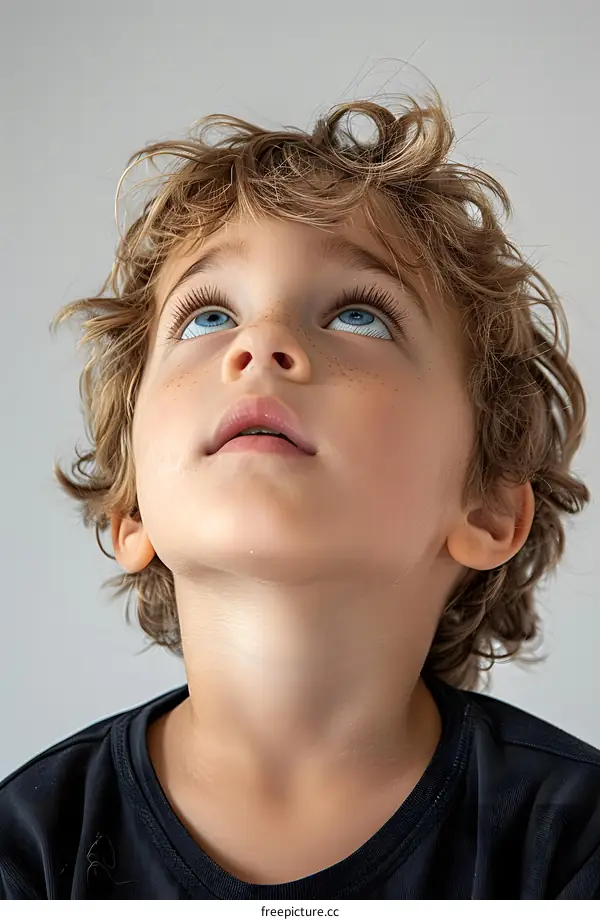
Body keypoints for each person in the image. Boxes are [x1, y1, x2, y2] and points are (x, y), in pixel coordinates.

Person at [1, 81, 599, 901]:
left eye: (359, 315)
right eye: (208, 316)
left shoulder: (569, 839)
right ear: (132, 508)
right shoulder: (32, 847)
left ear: (488, 507)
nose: (261, 343)